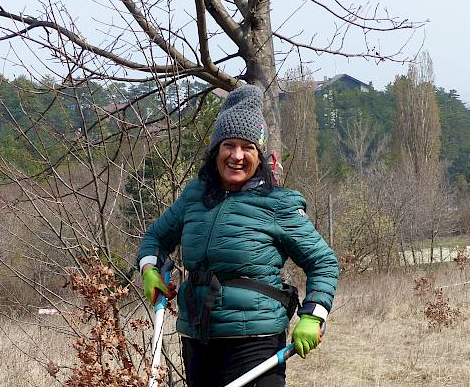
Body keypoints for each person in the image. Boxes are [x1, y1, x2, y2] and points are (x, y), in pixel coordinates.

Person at [136, 84, 339, 387]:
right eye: (228, 145)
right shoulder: (195, 197)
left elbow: (322, 263)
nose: (237, 155)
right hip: (198, 340)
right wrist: (149, 270)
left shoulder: (278, 203)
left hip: (255, 344)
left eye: (247, 148)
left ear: (260, 156)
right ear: (216, 150)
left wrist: (312, 316)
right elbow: (155, 238)